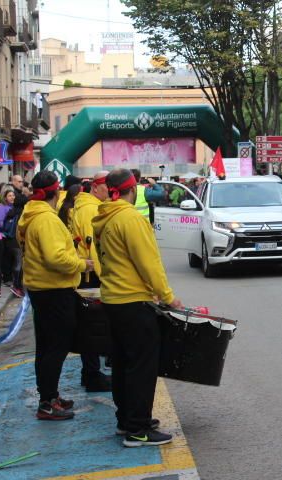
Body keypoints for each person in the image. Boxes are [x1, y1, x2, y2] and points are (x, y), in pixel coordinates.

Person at [92, 168, 183, 447]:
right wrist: (168, 296)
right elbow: (148, 263)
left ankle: (126, 420)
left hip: (113, 300)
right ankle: (138, 429)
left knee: (122, 363)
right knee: (142, 366)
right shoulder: (131, 219)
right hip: (133, 300)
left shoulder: (103, 218)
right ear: (133, 190)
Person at [17, 171, 94, 420]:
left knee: (47, 346)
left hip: (43, 289)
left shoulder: (33, 214)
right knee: (55, 347)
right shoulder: (46, 220)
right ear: (55, 192)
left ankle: (49, 395)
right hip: (53, 290)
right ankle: (47, 402)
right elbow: (55, 257)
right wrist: (82, 263)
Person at [70, 171, 113, 392]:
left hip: (89, 276)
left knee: (92, 327)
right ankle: (92, 374)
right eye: (107, 186)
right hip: (90, 277)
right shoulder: (90, 209)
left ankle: (90, 373)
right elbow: (93, 247)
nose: (110, 190)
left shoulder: (88, 205)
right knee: (94, 328)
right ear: (95, 187)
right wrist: (105, 276)